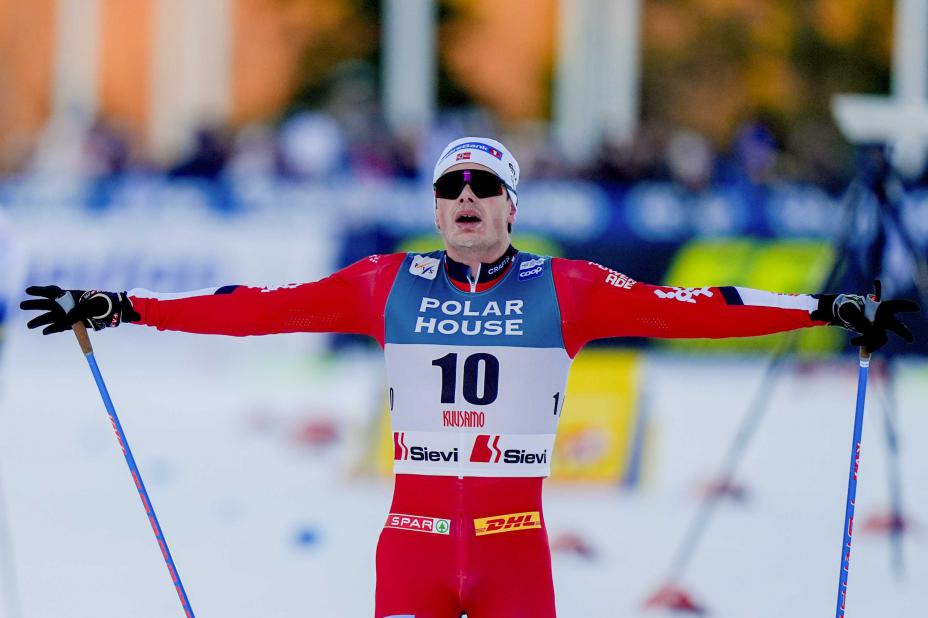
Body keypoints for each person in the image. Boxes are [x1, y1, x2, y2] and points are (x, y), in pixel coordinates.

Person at [20, 137, 917, 618]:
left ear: (512, 205)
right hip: (410, 546)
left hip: (512, 548)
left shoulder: (567, 287)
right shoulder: (387, 282)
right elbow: (256, 307)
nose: (465, 201)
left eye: (484, 187)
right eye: (451, 188)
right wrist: (125, 307)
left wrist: (822, 310)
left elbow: (697, 306)